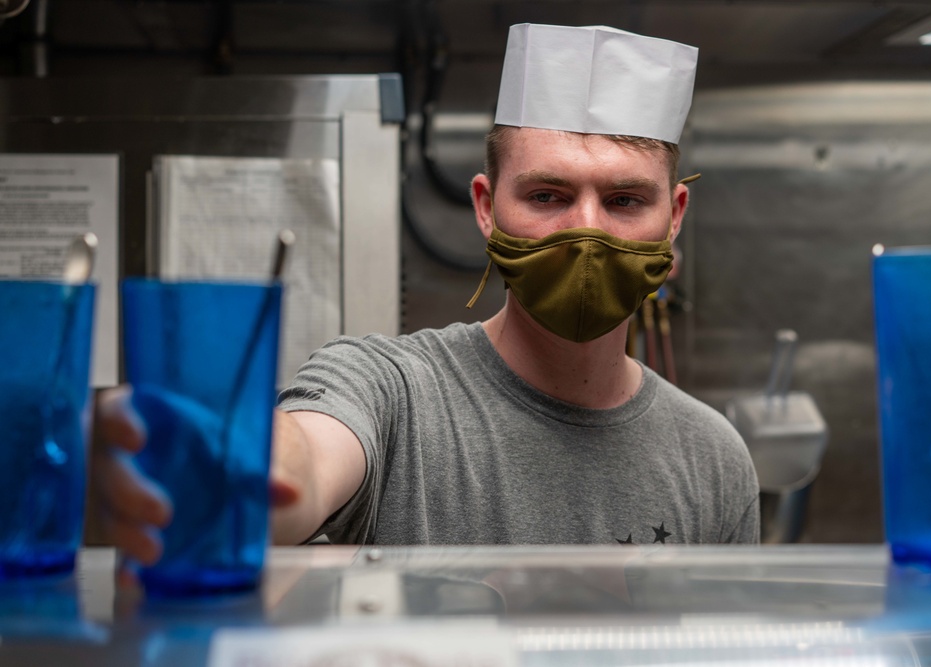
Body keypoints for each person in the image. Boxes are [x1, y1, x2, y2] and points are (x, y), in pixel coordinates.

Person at [92, 23, 759, 566]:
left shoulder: (713, 457)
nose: (586, 232)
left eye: (622, 199)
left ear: (672, 217)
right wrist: (233, 459)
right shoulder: (388, 389)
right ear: (486, 207)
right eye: (548, 195)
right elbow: (305, 462)